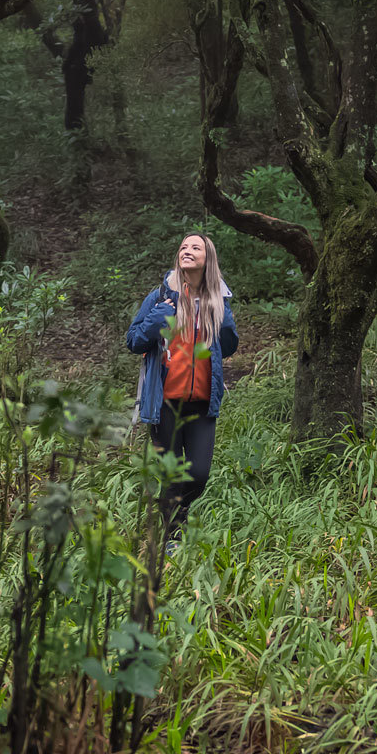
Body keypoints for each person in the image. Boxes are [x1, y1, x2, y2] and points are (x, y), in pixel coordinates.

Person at [126, 233, 239, 547]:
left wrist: (221, 308)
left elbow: (229, 345)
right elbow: (134, 341)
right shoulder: (160, 295)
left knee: (199, 474)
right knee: (174, 473)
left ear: (208, 259)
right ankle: (172, 538)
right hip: (164, 404)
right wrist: (162, 313)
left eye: (196, 247)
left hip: (202, 404)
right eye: (183, 247)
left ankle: (169, 508)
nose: (187, 251)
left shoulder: (216, 298)